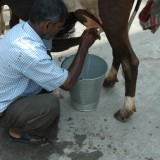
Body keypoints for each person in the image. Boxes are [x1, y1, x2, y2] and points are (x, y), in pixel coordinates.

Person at [0, 0, 100, 144]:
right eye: (59, 28)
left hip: (7, 90)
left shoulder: (26, 29)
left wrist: (80, 40)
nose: (60, 31)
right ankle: (17, 131)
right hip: (2, 107)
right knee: (50, 105)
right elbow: (67, 83)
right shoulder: (28, 52)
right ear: (47, 24)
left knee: (47, 82)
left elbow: (53, 45)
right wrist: (83, 48)